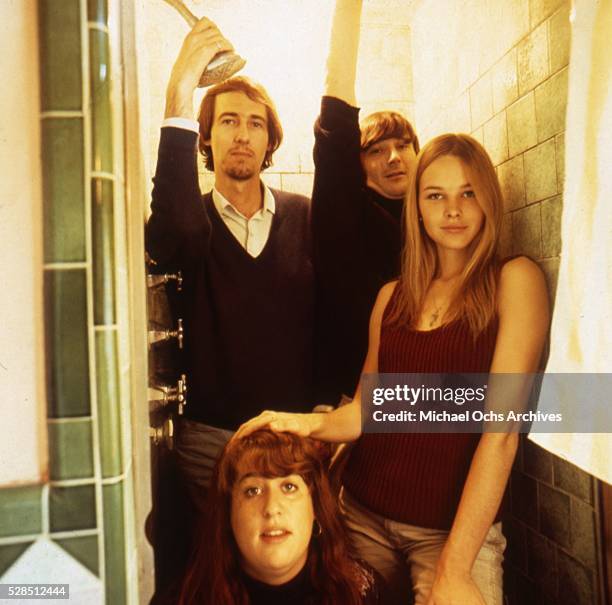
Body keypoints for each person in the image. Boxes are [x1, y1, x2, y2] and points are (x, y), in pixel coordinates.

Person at [236, 134, 550, 605]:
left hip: (454, 532)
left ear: (489, 198)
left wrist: (455, 566)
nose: (453, 210)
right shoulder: (391, 298)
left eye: (468, 192)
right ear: (417, 208)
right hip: (361, 515)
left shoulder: (513, 281)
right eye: (436, 195)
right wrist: (298, 422)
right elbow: (367, 412)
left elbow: (500, 434)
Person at [145, 18, 315, 503]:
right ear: (205, 138)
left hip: (293, 435)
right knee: (218, 572)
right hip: (209, 440)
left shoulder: (305, 216)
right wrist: (179, 92)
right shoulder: (191, 223)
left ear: (269, 142)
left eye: (255, 123)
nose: (242, 134)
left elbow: (332, 316)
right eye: (228, 121)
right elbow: (169, 233)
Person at [312, 0, 420, 404]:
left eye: (403, 145)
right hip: (355, 402)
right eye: (376, 150)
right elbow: (336, 126)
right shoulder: (348, 216)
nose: (393, 157)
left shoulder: (435, 220)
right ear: (356, 166)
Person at [178, 429, 380, 604]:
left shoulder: (361, 592)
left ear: (316, 509)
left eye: (289, 487)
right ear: (228, 515)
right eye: (252, 491)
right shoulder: (189, 597)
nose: (272, 507)